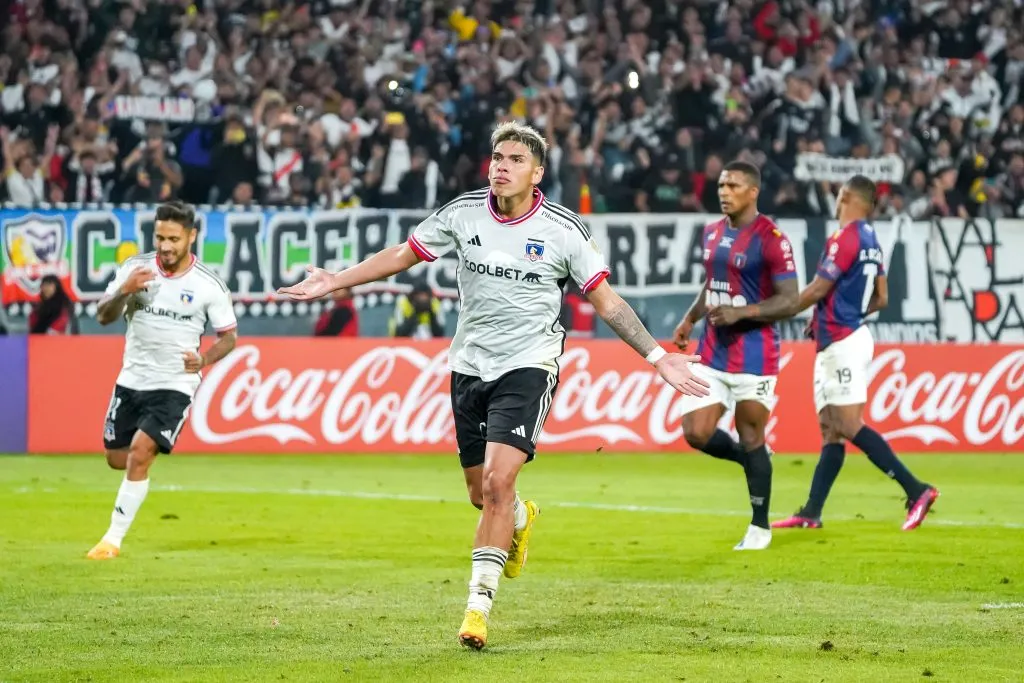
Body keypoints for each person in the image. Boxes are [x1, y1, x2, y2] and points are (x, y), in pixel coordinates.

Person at [278, 121, 710, 650]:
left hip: (529, 365)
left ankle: (476, 609)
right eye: (496, 157)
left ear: (537, 172)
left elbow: (608, 302)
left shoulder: (563, 229)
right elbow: (402, 254)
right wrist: (336, 279)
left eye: (513, 160)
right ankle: (522, 516)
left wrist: (658, 356)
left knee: (497, 483)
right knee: (480, 493)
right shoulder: (463, 213)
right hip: (469, 365)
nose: (500, 166)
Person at [773, 175, 939, 532]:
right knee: (831, 430)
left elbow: (819, 287)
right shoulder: (871, 241)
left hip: (842, 342)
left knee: (848, 424)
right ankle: (811, 512)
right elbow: (881, 298)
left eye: (838, 195)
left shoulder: (844, 237)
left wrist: (775, 311)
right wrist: (836, 315)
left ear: (847, 197)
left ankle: (917, 490)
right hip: (847, 336)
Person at [86, 201, 238, 560]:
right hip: (131, 378)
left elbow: (228, 337)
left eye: (173, 238)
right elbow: (103, 317)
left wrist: (203, 360)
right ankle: (142, 472)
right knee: (116, 458)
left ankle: (112, 540)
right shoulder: (134, 270)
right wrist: (125, 289)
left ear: (191, 236)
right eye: (159, 237)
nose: (165, 246)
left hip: (175, 383)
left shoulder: (208, 285)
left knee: (140, 454)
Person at [672, 161, 799, 551]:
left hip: (756, 356)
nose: (723, 191)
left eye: (733, 185)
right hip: (713, 350)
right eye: (722, 184)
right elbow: (713, 284)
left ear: (753, 191)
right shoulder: (711, 233)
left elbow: (790, 301)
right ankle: (752, 461)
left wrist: (742, 313)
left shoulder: (772, 238)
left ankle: (760, 526)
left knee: (750, 434)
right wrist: (691, 317)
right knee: (696, 432)